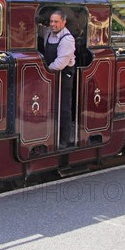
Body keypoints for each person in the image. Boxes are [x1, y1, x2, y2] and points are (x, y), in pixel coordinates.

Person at [39, 10, 76, 149]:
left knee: (63, 107)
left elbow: (60, 64)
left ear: (63, 22)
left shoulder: (67, 39)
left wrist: (44, 72)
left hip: (62, 75)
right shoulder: (48, 32)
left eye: (56, 22)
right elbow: (38, 30)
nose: (53, 24)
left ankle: (64, 139)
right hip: (50, 74)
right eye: (51, 21)